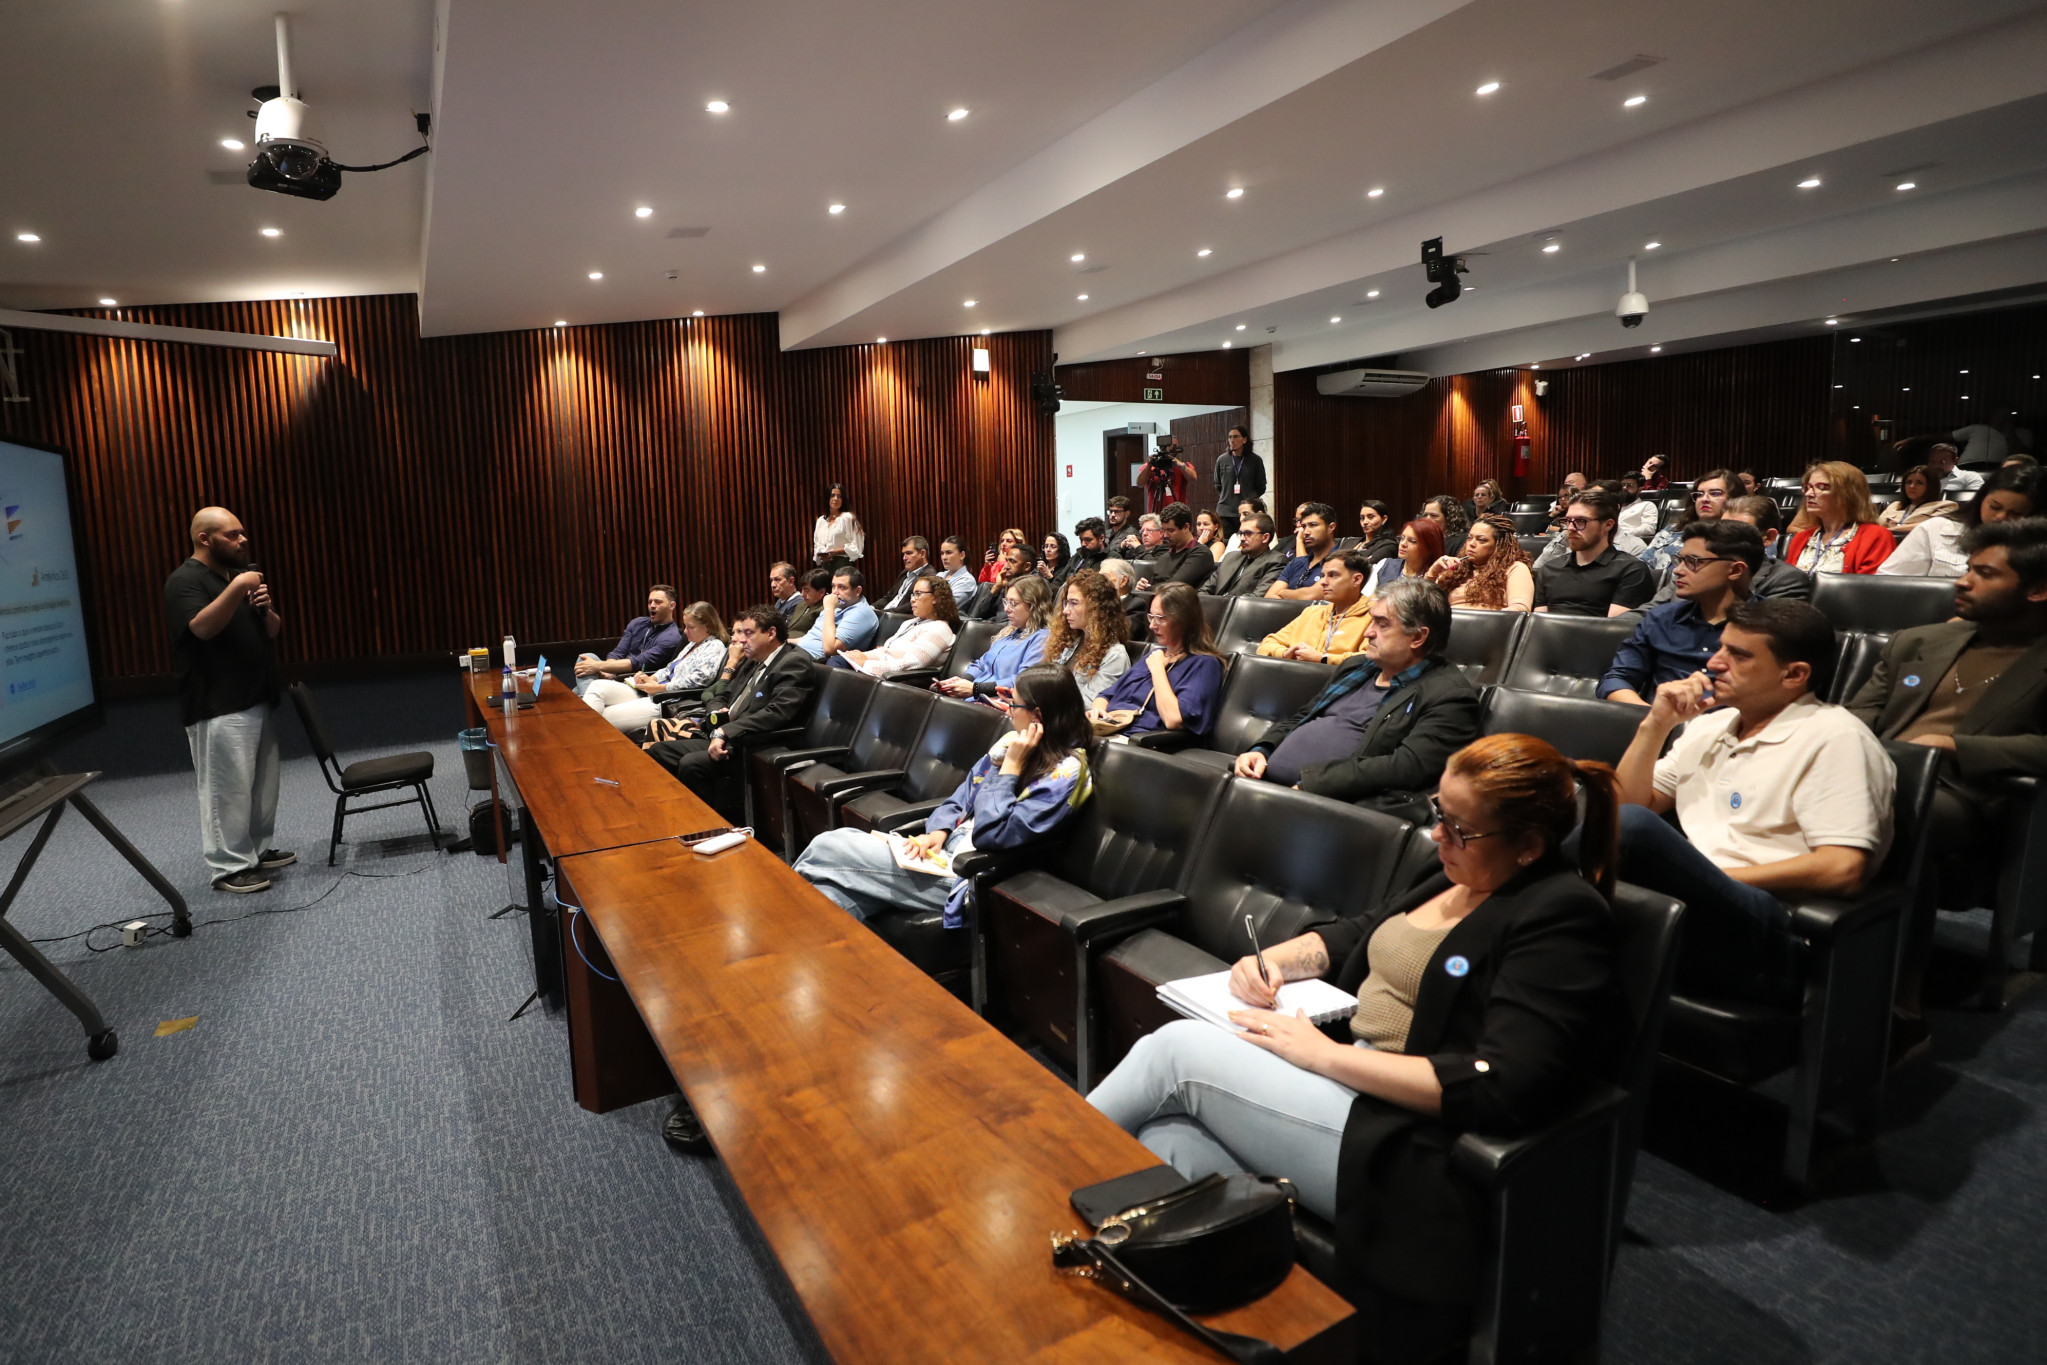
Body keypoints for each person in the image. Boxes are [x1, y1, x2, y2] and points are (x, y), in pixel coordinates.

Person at [1090, 732, 1623, 1361]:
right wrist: (1277, 962)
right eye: (1437, 815)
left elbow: (1501, 1082)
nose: (1436, 837)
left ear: (1530, 847)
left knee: (1177, 1052)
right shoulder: (1451, 871)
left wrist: (1320, 1054)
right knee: (1165, 1140)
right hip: (1349, 1091)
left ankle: (1030, 1169)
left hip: (1411, 1144)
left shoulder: (1562, 914)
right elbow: (1360, 935)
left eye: (1460, 830)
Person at [1609, 599, 1895, 1003]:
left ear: (1794, 674)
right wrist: (1655, 726)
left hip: (1771, 923)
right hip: (1692, 903)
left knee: (1631, 834)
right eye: (1721, 647)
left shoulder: (1836, 738)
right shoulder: (1708, 727)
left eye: (1738, 655)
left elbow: (1843, 867)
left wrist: (1707, 877)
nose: (1715, 662)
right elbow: (1624, 808)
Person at [1846, 518, 2047, 1052]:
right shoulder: (1919, 641)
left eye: (1984, 574)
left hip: (1970, 795)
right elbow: (1855, 717)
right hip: (1876, 770)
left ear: (2037, 589)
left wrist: (1960, 746)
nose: (1962, 580)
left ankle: (1902, 1004)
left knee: (1897, 815)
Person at [793, 664, 1094, 929]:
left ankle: (773, 906)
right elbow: (961, 797)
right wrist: (939, 830)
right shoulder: (1010, 744)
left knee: (828, 844)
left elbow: (993, 835)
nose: (1007, 710)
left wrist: (1010, 770)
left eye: (1013, 705)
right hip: (940, 856)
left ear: (1037, 715)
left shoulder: (1066, 775)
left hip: (970, 875)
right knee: (827, 897)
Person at [1237, 578, 1481, 806]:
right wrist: (1262, 749)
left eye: (1382, 624)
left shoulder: (1449, 696)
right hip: (1265, 784)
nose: (1368, 632)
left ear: (1417, 637)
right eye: (1372, 620)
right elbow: (1303, 716)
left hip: (1332, 807)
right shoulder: (1356, 667)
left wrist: (1315, 784)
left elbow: (1407, 767)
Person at [165, 506, 291, 893]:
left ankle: (254, 850)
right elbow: (201, 628)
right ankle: (229, 867)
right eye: (232, 535)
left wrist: (263, 607)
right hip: (216, 702)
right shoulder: (184, 581)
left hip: (255, 694)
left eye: (242, 533)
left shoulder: (234, 577)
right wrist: (238, 590)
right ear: (205, 538)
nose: (242, 540)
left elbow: (272, 631)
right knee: (227, 789)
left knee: (260, 787)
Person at [647, 605, 821, 821]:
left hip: (756, 742)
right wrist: (716, 715)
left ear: (771, 633)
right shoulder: (753, 659)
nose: (742, 640)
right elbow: (720, 695)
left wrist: (725, 731)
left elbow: (777, 713)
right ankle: (676, 816)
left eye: (749, 633)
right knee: (659, 751)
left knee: (691, 764)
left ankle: (713, 825)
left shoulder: (793, 662)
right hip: (728, 734)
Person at [1599, 521, 1762, 705]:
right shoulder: (1661, 619)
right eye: (1680, 560)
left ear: (1735, 570)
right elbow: (1615, 679)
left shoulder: (1773, 630)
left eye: (1692, 562)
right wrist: (1657, 719)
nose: (1677, 570)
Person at [1089, 583, 1224, 738]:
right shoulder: (1154, 655)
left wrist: (1158, 669)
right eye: (1151, 617)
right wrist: (1098, 711)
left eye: (1160, 618)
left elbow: (1173, 719)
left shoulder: (1205, 664)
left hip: (1140, 741)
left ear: (1184, 620)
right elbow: (1106, 695)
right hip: (1110, 730)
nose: (1152, 626)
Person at [1630, 498, 1811, 612]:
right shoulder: (1687, 569)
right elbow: (1647, 612)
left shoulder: (1787, 580)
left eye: (1737, 531)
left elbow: (1767, 637)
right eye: (1722, 528)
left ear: (1768, 537)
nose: (1722, 537)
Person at [583, 600, 729, 733]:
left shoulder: (714, 646)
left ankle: (580, 739)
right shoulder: (692, 644)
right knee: (597, 687)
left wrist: (660, 688)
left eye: (690, 627)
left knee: (601, 718)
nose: (685, 631)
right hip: (652, 691)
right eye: (685, 626)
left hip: (665, 700)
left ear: (708, 627)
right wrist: (650, 677)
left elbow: (700, 680)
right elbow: (668, 669)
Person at [1880, 464, 2041, 578]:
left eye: (2016, 513)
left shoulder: (2038, 545)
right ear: (1981, 500)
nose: (2001, 517)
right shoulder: (1937, 528)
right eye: (1994, 506)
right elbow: (1887, 582)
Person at [1533, 490, 1657, 616]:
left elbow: (1617, 629)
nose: (1570, 527)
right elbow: (1538, 624)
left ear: (1608, 525)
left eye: (1581, 521)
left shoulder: (1631, 570)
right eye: (1568, 520)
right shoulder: (1550, 568)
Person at [937, 575, 1051, 699]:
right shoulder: (1008, 633)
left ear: (1034, 605)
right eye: (1006, 602)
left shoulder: (1042, 638)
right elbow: (980, 664)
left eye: (1013, 603)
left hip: (997, 704)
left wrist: (975, 689)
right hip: (974, 698)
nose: (1006, 609)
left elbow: (1023, 680)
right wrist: (960, 683)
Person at [1258, 551, 1374, 664]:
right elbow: (1266, 644)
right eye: (1323, 575)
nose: (1323, 582)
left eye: (1333, 575)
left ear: (1357, 579)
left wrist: (1323, 658)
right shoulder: (1312, 613)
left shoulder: (1374, 617)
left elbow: (1370, 658)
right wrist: (1284, 653)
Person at [1785, 462, 1895, 574]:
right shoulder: (1801, 538)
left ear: (1848, 493)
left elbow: (1866, 586)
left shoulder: (1875, 536)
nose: (1809, 493)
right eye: (1807, 487)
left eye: (1821, 487)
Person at [844, 575, 959, 679]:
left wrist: (866, 663)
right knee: (841, 660)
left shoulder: (939, 629)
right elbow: (886, 651)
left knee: (839, 665)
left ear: (936, 598)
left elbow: (912, 664)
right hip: (878, 673)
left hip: (896, 681)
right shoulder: (911, 622)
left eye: (918, 594)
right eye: (913, 594)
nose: (912, 599)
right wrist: (861, 655)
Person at [1045, 569, 1133, 704]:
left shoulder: (1115, 656)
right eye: (1066, 603)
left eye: (1074, 603)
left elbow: (1088, 703)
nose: (1065, 611)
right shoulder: (1070, 640)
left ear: (1096, 608)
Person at [572, 586, 684, 692]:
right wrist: (609, 672)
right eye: (650, 602)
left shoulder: (671, 637)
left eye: (658, 602)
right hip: (617, 675)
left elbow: (638, 662)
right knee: (587, 657)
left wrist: (598, 666)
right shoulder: (637, 623)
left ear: (672, 606)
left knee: (576, 692)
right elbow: (618, 653)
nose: (652, 605)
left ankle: (587, 706)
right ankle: (588, 706)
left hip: (636, 683)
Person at [1425, 514, 1533, 611]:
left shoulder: (1515, 568)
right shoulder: (1457, 569)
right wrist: (1433, 573)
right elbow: (1424, 604)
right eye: (1469, 538)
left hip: (1491, 628)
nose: (1471, 544)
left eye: (1481, 540)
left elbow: (1520, 610)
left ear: (1499, 546)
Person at [1638, 469, 1735, 578]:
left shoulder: (1736, 537)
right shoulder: (1671, 531)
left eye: (1715, 493)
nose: (1704, 499)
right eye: (1699, 494)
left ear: (1734, 499)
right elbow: (1642, 567)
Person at [796, 567, 879, 663]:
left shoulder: (861, 613)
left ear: (857, 591)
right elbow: (811, 638)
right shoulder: (839, 605)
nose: (835, 592)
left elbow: (830, 649)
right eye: (833, 586)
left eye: (841, 587)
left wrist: (829, 609)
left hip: (813, 662)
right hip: (799, 652)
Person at [1202, 512, 1288, 598]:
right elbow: (1204, 591)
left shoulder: (1276, 561)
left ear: (1265, 537)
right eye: (1241, 533)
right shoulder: (1230, 557)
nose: (1242, 538)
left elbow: (1256, 597)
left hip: (1243, 609)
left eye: (1248, 533)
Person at [1134, 503, 1215, 592]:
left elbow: (1175, 587)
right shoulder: (1164, 557)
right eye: (1164, 530)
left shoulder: (1201, 553)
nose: (1165, 535)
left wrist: (1147, 588)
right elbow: (1154, 584)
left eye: (1171, 530)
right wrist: (1142, 586)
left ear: (1186, 527)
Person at [1268, 503, 1341, 599]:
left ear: (1331, 527)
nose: (1306, 532)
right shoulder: (1296, 562)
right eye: (1304, 526)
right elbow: (1269, 597)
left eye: (1313, 525)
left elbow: (1310, 596)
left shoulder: (1341, 561)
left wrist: (1283, 592)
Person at [1213, 426, 1268, 536]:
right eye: (1230, 437)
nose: (1232, 440)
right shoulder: (1222, 459)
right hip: (1226, 512)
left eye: (1236, 436)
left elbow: (1261, 486)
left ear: (1244, 439)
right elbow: (1217, 485)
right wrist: (1228, 497)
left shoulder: (1255, 460)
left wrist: (1250, 498)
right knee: (1225, 543)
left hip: (1248, 512)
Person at [1369, 519, 1446, 598]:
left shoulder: (1435, 576)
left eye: (1412, 541)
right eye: (1402, 538)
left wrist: (1430, 577)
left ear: (1429, 547)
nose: (1402, 544)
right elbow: (1366, 599)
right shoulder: (1385, 564)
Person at [1877, 465, 1955, 529]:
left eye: (1919, 483)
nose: (1912, 486)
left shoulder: (1945, 506)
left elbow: (1934, 526)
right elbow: (1877, 527)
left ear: (1931, 486)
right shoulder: (1894, 506)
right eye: (1909, 482)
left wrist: (1894, 529)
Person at [812, 483, 864, 573]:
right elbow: (817, 544)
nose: (836, 499)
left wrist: (836, 552)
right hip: (824, 566)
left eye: (839, 496)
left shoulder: (847, 518)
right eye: (833, 495)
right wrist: (822, 554)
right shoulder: (821, 521)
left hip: (842, 565)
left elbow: (857, 547)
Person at [1142, 435, 1199, 514]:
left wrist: (1180, 465)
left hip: (1178, 514)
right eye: (1169, 445)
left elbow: (1193, 477)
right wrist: (1149, 466)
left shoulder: (1183, 466)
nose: (1172, 448)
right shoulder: (1151, 467)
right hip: (1157, 515)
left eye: (1175, 446)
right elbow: (1140, 483)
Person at [877, 536, 932, 612]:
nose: (904, 558)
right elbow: (889, 597)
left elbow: (914, 604)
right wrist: (872, 608)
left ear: (922, 554)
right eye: (904, 554)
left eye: (909, 553)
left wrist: (885, 613)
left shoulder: (929, 576)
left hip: (901, 617)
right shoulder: (904, 573)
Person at [1100, 557, 1147, 641]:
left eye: (1104, 578)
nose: (1098, 582)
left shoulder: (1137, 605)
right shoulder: (1094, 602)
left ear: (1123, 581)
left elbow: (1121, 634)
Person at [936, 535, 980, 606]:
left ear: (962, 555)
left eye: (949, 553)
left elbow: (945, 605)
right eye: (942, 553)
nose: (944, 557)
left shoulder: (967, 580)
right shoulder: (939, 575)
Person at [1615, 471, 1660, 541]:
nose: (1624, 488)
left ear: (1640, 489)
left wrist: (1624, 533)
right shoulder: (1614, 505)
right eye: (1623, 484)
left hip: (1629, 540)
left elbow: (1649, 528)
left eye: (1629, 485)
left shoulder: (1647, 505)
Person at [785, 568, 829, 639]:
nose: (802, 594)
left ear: (821, 592)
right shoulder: (801, 604)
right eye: (802, 590)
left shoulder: (825, 610)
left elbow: (814, 638)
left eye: (806, 590)